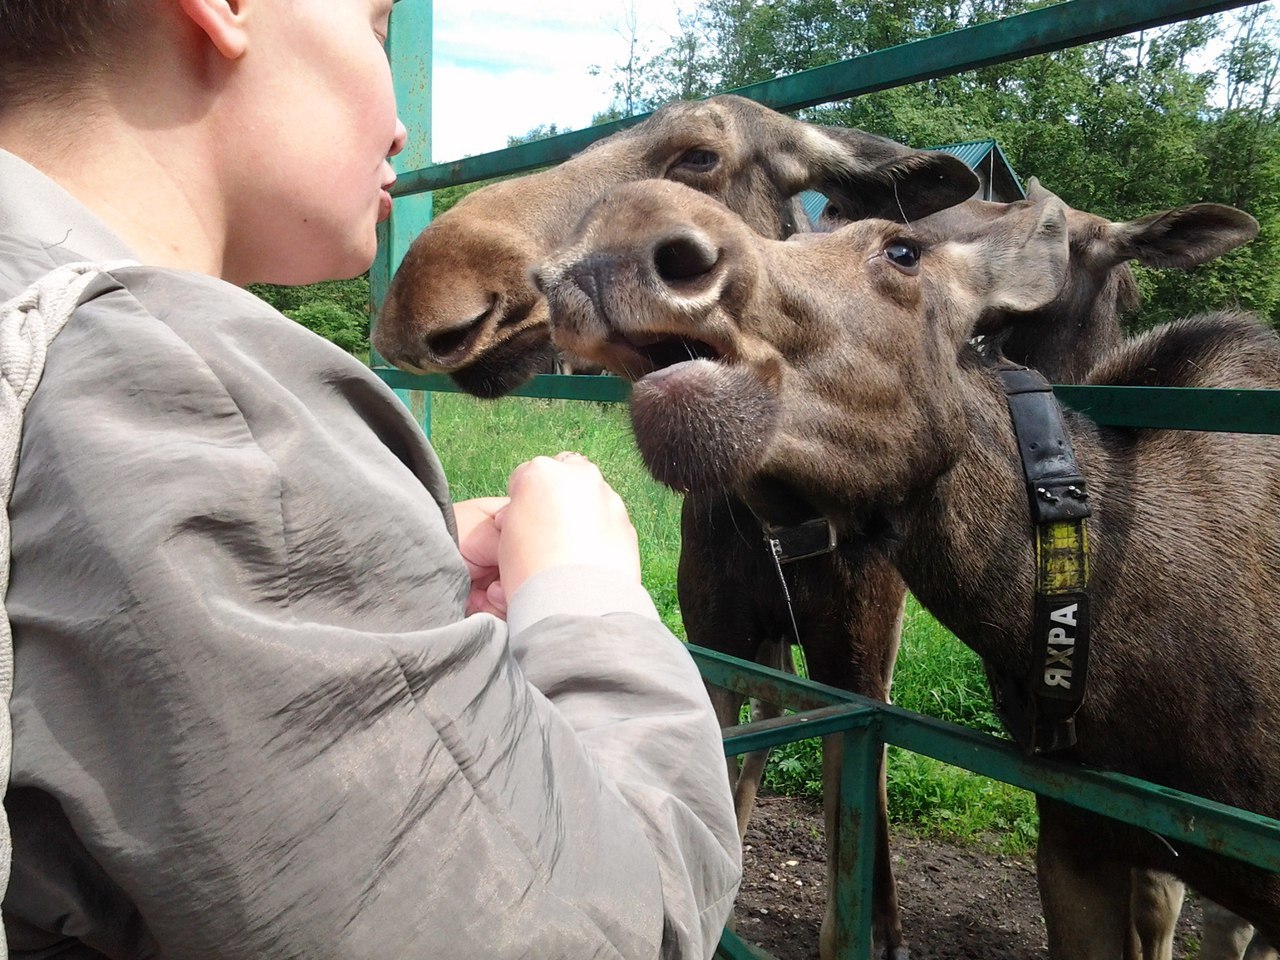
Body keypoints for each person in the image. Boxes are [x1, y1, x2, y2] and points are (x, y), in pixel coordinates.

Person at [0, 1, 741, 957]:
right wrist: (585, 598)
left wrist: (396, 561)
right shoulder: (189, 402)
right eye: (378, 24)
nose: (401, 126)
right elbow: (612, 929)